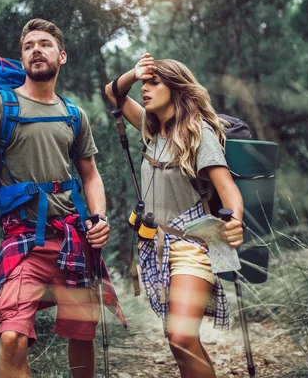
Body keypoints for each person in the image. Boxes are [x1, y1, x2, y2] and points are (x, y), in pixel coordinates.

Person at [0, 18, 126, 378]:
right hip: (23, 238)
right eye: (29, 45)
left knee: (81, 333)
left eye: (45, 44)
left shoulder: (74, 114)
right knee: (12, 336)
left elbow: (90, 175)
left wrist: (100, 219)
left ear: (61, 56)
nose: (36, 49)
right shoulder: (0, 107)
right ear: (22, 58)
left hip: (73, 235)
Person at [104, 53, 244, 378]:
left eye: (154, 82)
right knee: (177, 337)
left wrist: (234, 220)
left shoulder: (198, 134)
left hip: (193, 245)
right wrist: (134, 72)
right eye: (144, 83)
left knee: (181, 336)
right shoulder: (148, 128)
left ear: (176, 88)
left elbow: (228, 190)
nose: (145, 88)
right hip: (156, 246)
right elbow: (113, 93)